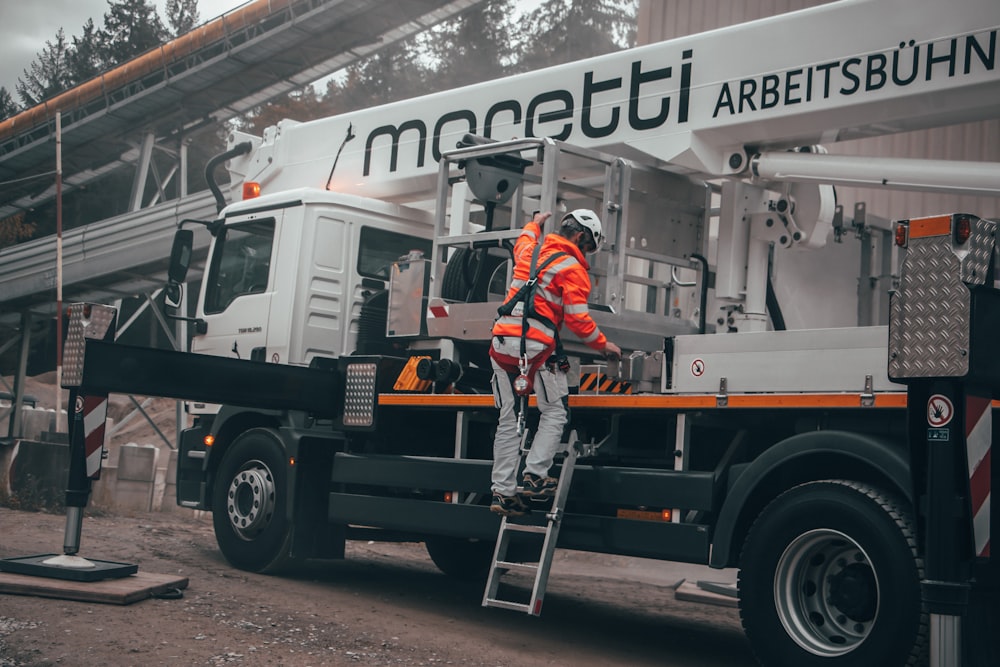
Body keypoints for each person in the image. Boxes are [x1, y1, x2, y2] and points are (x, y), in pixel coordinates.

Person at [488, 209, 622, 516]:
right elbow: (577, 319)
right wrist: (604, 346)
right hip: (537, 348)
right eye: (588, 247)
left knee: (507, 420)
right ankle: (535, 474)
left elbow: (525, 237)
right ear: (580, 238)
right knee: (554, 412)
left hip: (501, 342)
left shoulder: (530, 252)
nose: (586, 254)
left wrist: (535, 222)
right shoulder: (573, 268)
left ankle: (503, 493)